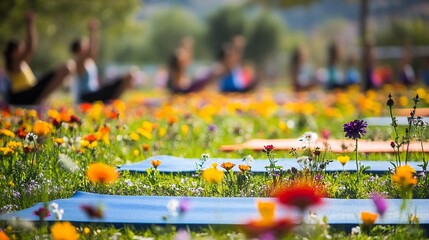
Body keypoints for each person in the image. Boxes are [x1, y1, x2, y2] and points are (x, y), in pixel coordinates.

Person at [4, 11, 75, 105]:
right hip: (23, 96)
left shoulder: (19, 63)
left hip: (28, 92)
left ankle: (40, 99)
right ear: (13, 53)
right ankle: (39, 100)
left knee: (66, 68)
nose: (22, 50)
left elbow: (29, 48)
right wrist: (29, 24)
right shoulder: (15, 63)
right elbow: (30, 47)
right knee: (66, 68)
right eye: (19, 49)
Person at [71, 19, 133, 103]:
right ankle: (111, 103)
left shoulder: (89, 61)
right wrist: (92, 31)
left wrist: (96, 32)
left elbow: (94, 51)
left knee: (129, 76)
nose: (88, 45)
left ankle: (112, 102)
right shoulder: (79, 62)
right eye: (85, 45)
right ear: (79, 50)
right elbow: (91, 53)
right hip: (86, 97)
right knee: (127, 77)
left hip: (94, 94)